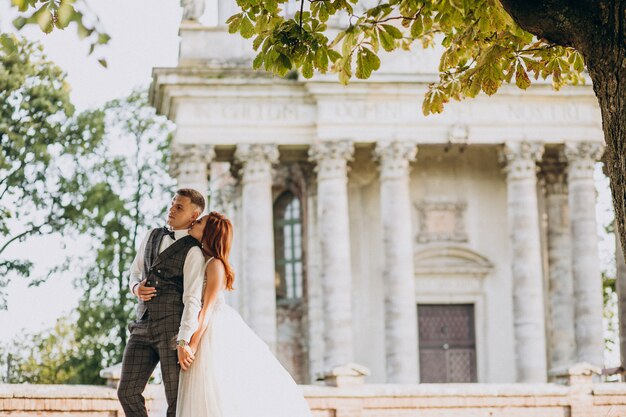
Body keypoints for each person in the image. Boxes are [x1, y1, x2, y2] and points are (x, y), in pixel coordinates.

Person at [176, 211, 312, 417]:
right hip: (205, 327)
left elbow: (207, 308)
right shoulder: (203, 260)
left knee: (212, 391)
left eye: (201, 221)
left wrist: (191, 344)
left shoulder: (215, 264)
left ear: (209, 232)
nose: (195, 222)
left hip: (210, 331)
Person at [118, 189, 206, 417]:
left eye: (180, 207)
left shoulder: (193, 252)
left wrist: (183, 340)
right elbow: (135, 273)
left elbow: (192, 299)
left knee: (176, 402)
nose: (172, 209)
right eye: (172, 203)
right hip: (142, 326)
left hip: (172, 331)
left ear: (194, 215)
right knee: (126, 392)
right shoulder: (152, 235)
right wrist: (136, 288)